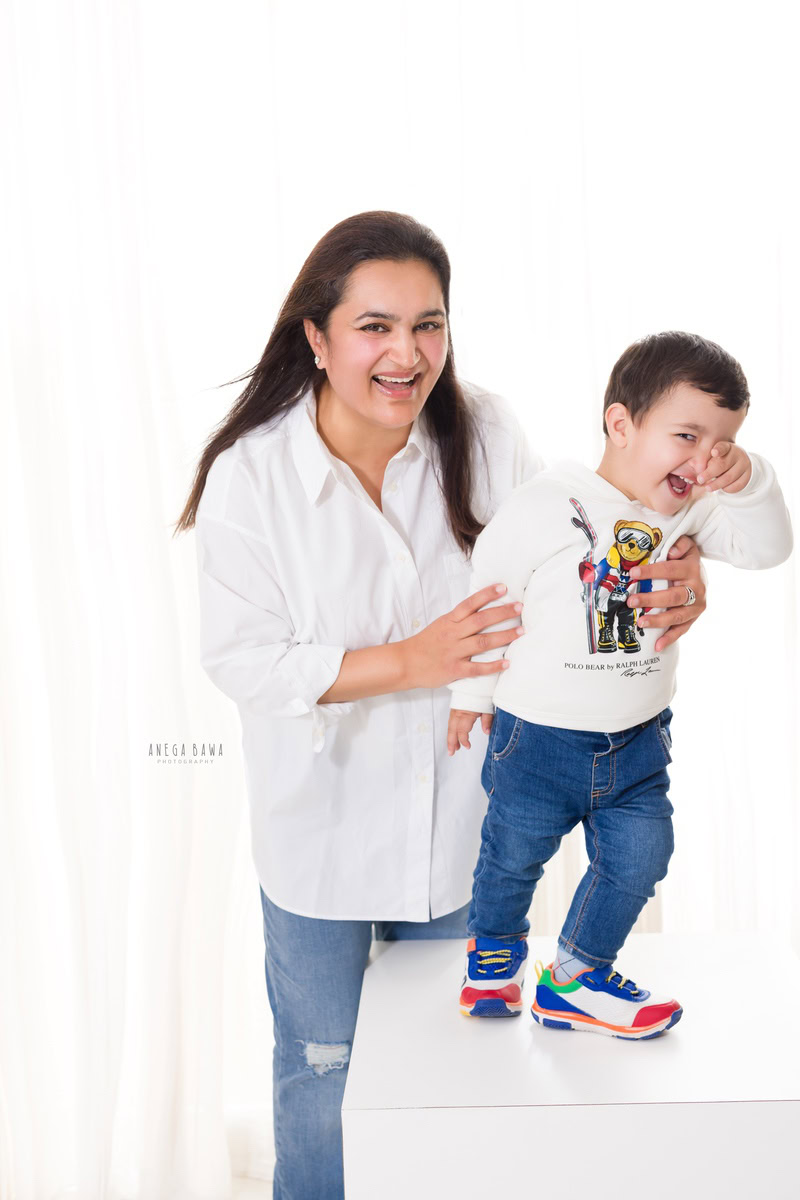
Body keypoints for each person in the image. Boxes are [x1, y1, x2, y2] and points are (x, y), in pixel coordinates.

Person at [175, 213, 709, 1198]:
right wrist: (412, 661)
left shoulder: (490, 432)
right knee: (321, 1074)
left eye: (428, 325)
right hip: (318, 840)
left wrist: (675, 576)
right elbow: (245, 659)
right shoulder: (254, 476)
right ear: (316, 337)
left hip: (470, 830)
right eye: (374, 326)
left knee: (459, 1084)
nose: (406, 352)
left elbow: (575, 559)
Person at [447, 330, 793, 1038]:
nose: (704, 461)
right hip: (537, 738)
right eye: (688, 436)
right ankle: (493, 954)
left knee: (642, 857)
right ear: (620, 423)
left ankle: (575, 975)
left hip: (637, 742)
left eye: (722, 445)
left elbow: (768, 549)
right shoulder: (546, 504)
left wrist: (749, 479)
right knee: (513, 854)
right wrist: (469, 698)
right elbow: (488, 598)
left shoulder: (693, 511)